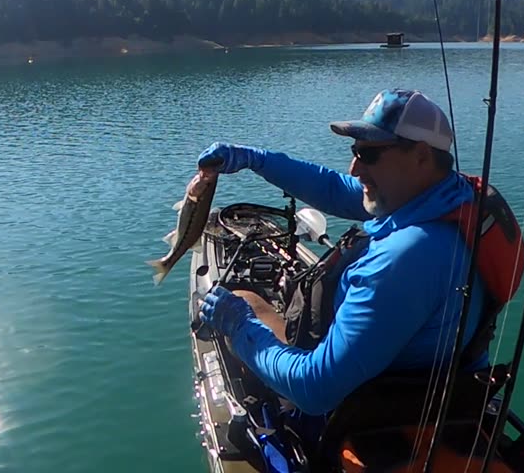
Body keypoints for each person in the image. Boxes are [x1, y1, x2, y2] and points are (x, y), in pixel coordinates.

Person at [196, 89, 490, 416]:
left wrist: (239, 327)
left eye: (368, 154)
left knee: (245, 301)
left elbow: (315, 389)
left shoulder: (404, 260)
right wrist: (256, 159)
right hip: (433, 381)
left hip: (374, 410)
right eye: (355, 150)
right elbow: (336, 189)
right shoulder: (448, 197)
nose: (354, 168)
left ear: (420, 156)